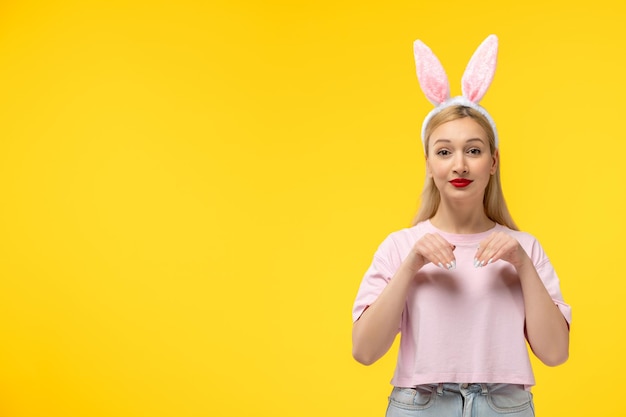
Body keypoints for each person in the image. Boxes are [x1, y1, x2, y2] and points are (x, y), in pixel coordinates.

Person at [351, 35, 571, 417]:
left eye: (473, 150)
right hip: (419, 405)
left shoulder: (525, 248)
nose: (459, 166)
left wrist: (521, 264)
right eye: (444, 151)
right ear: (428, 163)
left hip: (505, 406)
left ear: (493, 161)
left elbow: (555, 353)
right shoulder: (400, 246)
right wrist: (411, 265)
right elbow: (364, 351)